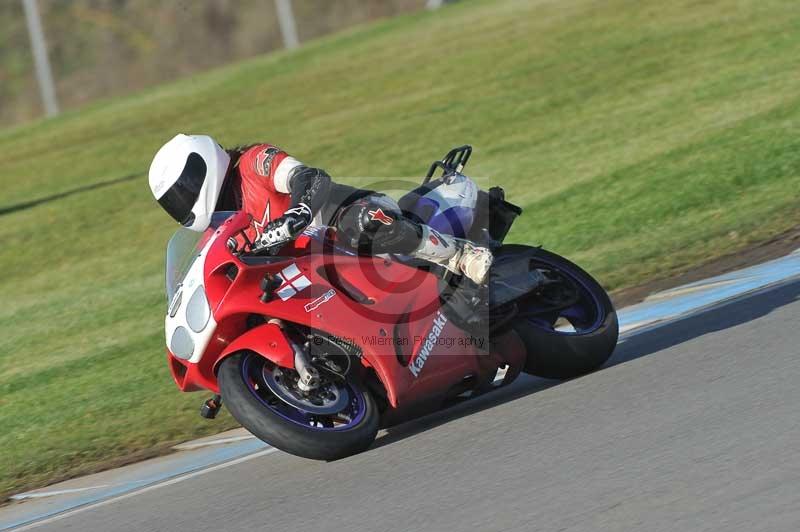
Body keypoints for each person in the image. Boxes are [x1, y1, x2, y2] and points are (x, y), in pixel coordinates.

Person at [148, 134, 493, 284]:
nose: (185, 200)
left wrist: (297, 213)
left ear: (202, 164)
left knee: (361, 223)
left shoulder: (253, 163)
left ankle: (459, 255)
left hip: (347, 218)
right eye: (175, 200)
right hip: (319, 276)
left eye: (185, 188)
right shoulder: (220, 231)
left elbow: (309, 177)